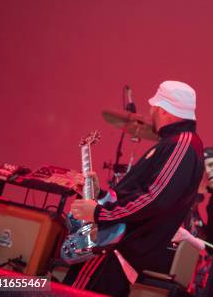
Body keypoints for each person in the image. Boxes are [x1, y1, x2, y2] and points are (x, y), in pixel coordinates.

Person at [64, 81, 204, 296]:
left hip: (118, 248)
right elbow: (139, 195)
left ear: (165, 111)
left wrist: (99, 212)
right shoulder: (175, 143)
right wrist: (100, 194)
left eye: (155, 108)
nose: (150, 112)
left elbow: (155, 198)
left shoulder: (182, 144)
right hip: (117, 247)